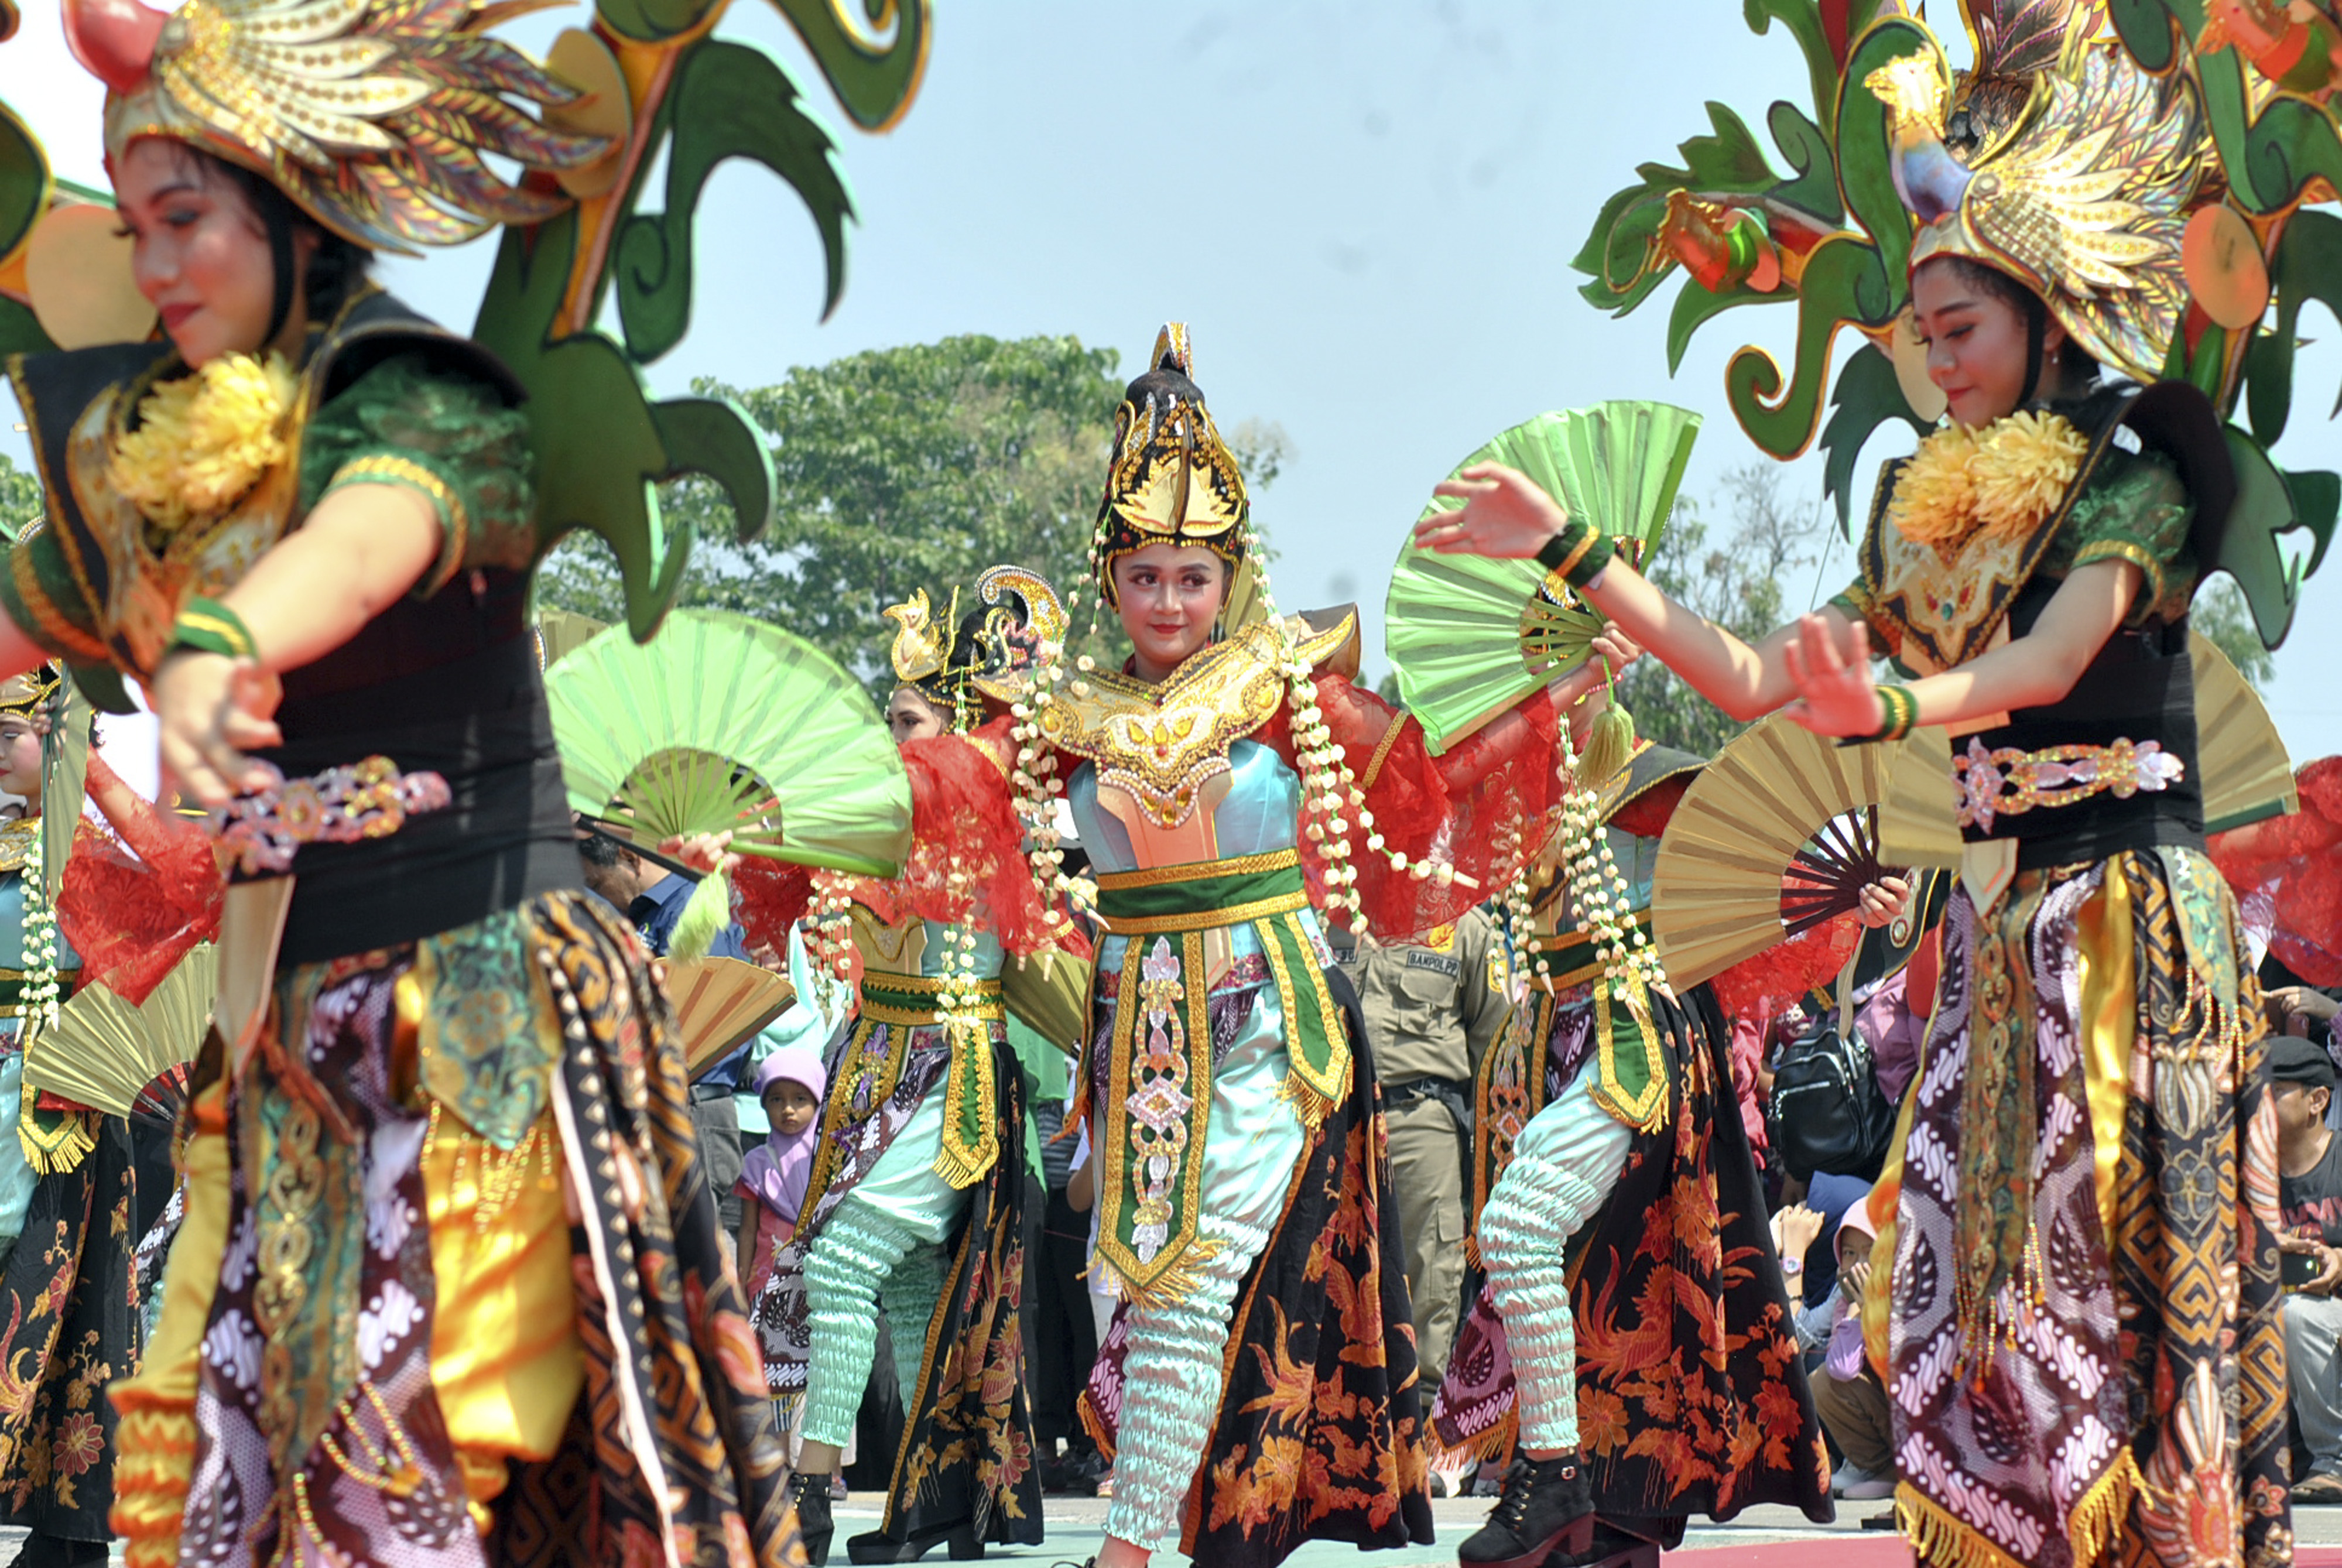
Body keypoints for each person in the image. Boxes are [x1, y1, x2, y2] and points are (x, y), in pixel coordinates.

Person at [1419, 22, 2289, 1563]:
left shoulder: (2136, 464)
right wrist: (1570, 550)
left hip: (2121, 929)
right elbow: (1760, 682)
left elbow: (2051, 652)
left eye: (1961, 327)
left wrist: (1889, 703)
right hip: (1996, 939)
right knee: (1961, 1293)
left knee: (2126, 1284)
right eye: (1923, 333)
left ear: (2040, 314)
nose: (1937, 359)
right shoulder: (1923, 509)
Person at [0, 1, 793, 1559]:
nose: (154, 267)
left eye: (187, 222)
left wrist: (234, 635)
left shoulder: (426, 394)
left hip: (480, 1009)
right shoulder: (172, 445)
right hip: (294, 1045)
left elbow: (366, 541)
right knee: (223, 1475)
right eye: (135, 223)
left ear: (296, 212)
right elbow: (36, 605)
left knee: (423, 1467)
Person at [1030, 325, 1619, 1568]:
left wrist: (1562, 698)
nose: (1169, 602)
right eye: (1145, 578)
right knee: (1132, 1292)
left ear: (1229, 572)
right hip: (1133, 1028)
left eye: (1192, 576)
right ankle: (1205, 1526)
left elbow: (1434, 793)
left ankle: (1127, 1552)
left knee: (1189, 1286)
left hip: (1256, 1027)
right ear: (1108, 579)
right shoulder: (1065, 722)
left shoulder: (1289, 688)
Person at [727, 569, 1090, 1565]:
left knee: (846, 1260)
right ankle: (948, 1502)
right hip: (873, 1063)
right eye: (891, 717)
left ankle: (808, 1486)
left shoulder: (969, 805)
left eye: (913, 715)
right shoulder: (888, 809)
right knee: (911, 1288)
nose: (900, 737)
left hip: (949, 1071)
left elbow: (1036, 975)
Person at [1432, 734, 1844, 1564]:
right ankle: (1581, 1497)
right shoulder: (1525, 776)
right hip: (1552, 1039)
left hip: (1632, 1038)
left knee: (1587, 1267)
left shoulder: (1654, 782)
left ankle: (1561, 1476)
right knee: (1592, 1302)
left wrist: (1845, 900)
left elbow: (1748, 883)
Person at [0, 673, 217, 1567]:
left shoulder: (82, 855)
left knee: (74, 1336)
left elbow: (199, 886)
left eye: (11, 723)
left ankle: (68, 1542)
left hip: (62, 1131)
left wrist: (79, 771)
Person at [1327, 904, 1510, 1408]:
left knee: (1429, 1264)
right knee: (1327, 1268)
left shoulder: (1464, 924)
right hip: (1334, 1115)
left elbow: (1494, 1045)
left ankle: (1423, 1412)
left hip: (1421, 1117)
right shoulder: (1328, 907)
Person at [2271, 1035, 2342, 1504]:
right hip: (2279, 1326)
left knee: (2300, 1313)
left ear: (2317, 1100)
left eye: (2272, 1092)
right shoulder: (2245, 1174)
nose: (2256, 1105)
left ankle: (2333, 1462)